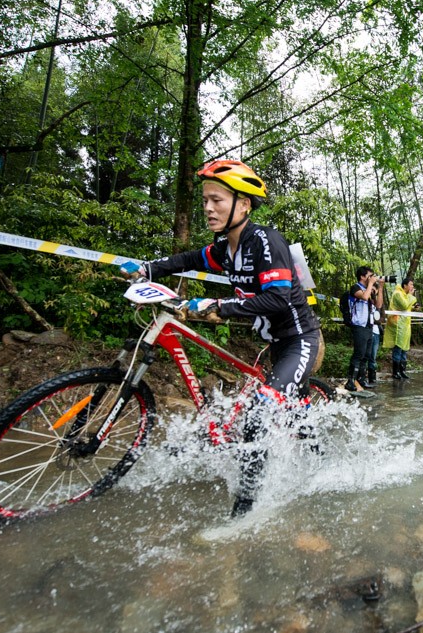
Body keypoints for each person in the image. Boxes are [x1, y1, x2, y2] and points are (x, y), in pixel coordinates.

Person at [120, 159, 321, 517]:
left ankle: (245, 511)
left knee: (259, 409)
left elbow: (277, 298)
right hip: (272, 342)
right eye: (205, 201)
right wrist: (148, 268)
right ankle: (312, 449)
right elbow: (187, 258)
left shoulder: (265, 241)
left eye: (218, 200)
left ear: (243, 204)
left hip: (299, 339)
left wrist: (219, 305)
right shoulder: (226, 248)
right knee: (287, 410)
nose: (209, 208)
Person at [345, 266, 383, 391]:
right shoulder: (355, 287)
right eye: (370, 275)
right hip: (359, 326)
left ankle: (361, 380)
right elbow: (364, 297)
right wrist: (370, 285)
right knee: (358, 354)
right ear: (362, 276)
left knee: (366, 355)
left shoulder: (369, 289)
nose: (372, 278)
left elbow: (378, 305)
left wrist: (380, 288)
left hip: (369, 326)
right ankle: (351, 381)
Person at [384, 277, 416, 380]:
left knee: (404, 350)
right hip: (397, 326)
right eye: (410, 284)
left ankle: (402, 371)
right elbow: (404, 305)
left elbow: (407, 307)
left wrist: (414, 307)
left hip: (405, 326)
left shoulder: (404, 295)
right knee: (398, 349)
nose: (412, 287)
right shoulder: (398, 293)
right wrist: (411, 296)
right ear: (405, 285)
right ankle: (395, 372)